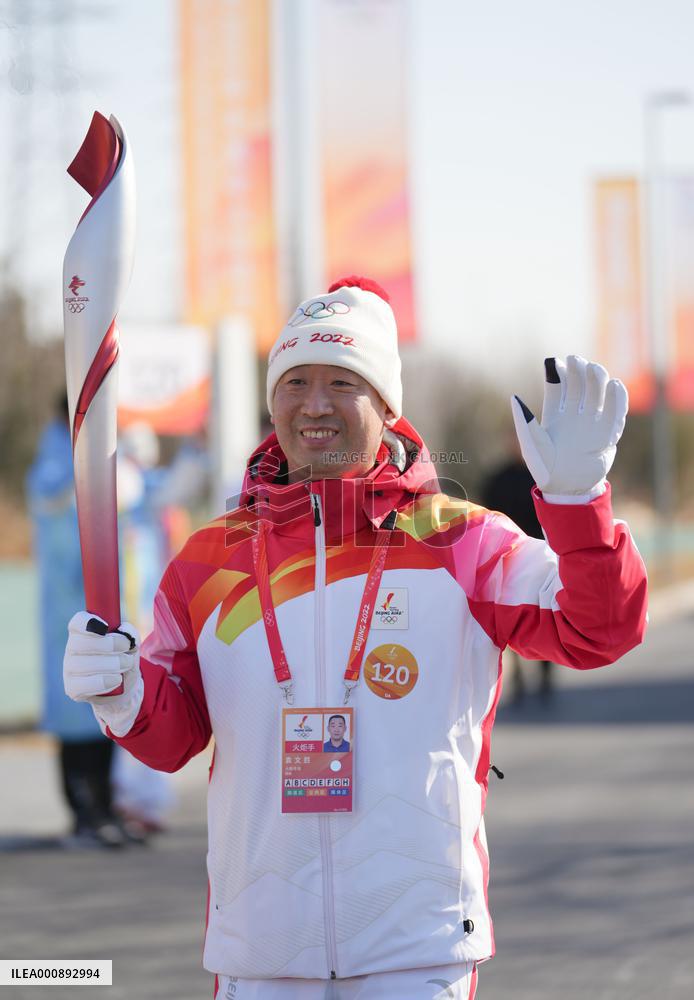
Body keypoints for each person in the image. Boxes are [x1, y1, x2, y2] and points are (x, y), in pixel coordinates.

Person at [64, 276, 648, 999]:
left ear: (386, 407)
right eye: (297, 379)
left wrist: (577, 506)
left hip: (417, 944)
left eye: (344, 382)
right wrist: (121, 693)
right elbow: (172, 736)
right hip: (261, 949)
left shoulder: (461, 542)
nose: (315, 404)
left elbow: (600, 630)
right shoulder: (209, 559)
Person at [27, 393, 124, 848]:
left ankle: (104, 809)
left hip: (102, 601)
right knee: (75, 710)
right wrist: (84, 463)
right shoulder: (53, 463)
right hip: (66, 609)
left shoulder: (104, 455)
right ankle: (83, 814)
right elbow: (49, 497)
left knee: (107, 702)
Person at [482, 442, 554, 701]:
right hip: (508, 558)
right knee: (510, 618)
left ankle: (546, 673)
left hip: (542, 555)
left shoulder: (541, 477)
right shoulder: (498, 479)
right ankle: (520, 677)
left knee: (544, 612)